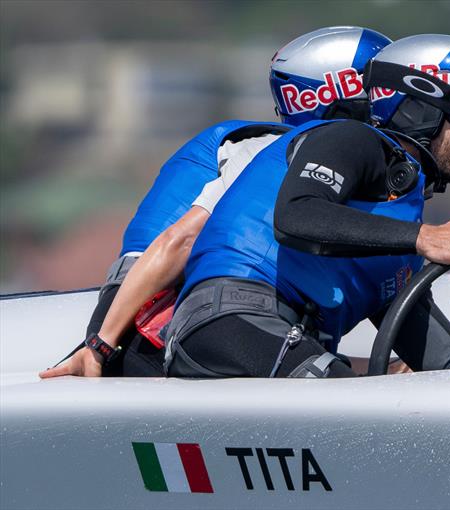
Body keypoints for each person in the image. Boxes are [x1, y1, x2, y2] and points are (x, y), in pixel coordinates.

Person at [160, 34, 450, 379]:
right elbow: (297, 215)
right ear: (419, 108)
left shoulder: (396, 229)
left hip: (282, 343)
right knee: (353, 405)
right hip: (229, 322)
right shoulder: (348, 138)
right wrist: (428, 238)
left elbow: (449, 370)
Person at [40, 26, 393, 378]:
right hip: (150, 320)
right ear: (342, 91)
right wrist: (100, 344)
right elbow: (182, 240)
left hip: (176, 316)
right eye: (386, 89)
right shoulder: (266, 149)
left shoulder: (319, 162)